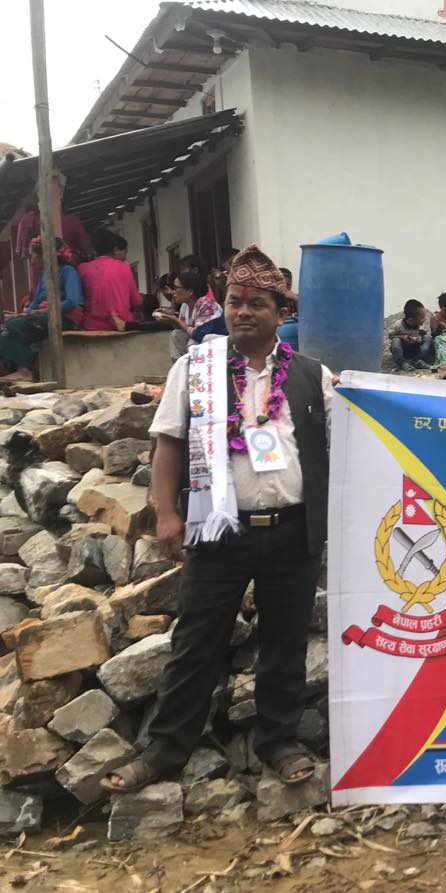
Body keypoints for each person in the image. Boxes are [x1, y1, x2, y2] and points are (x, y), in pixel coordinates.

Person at [101, 244, 333, 794]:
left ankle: (278, 741)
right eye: (234, 302)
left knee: (284, 644)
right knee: (195, 643)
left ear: (281, 313)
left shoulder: (312, 376)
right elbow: (168, 445)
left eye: (257, 304)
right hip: (215, 529)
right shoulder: (195, 368)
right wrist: (167, 515)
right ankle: (164, 750)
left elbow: (348, 441)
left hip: (292, 532)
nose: (243, 311)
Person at [0, 237, 84, 380]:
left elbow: (72, 301)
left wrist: (43, 311)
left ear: (46, 255)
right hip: (43, 317)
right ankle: (19, 369)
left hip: (65, 319)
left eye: (34, 256)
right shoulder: (44, 275)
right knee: (7, 328)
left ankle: (27, 369)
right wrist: (21, 314)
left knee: (12, 327)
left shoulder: (68, 271)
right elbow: (35, 302)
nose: (32, 260)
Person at [78, 229, 139, 332]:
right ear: (114, 248)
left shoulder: (83, 268)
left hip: (92, 328)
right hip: (122, 326)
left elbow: (79, 301)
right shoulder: (124, 267)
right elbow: (136, 301)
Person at [388, 299, 435, 371]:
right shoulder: (398, 325)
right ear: (411, 319)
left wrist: (420, 338)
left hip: (415, 349)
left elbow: (423, 334)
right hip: (404, 350)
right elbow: (390, 336)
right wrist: (402, 337)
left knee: (428, 338)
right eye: (422, 318)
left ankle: (417, 360)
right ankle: (402, 362)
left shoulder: (420, 325)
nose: (424, 319)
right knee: (395, 340)